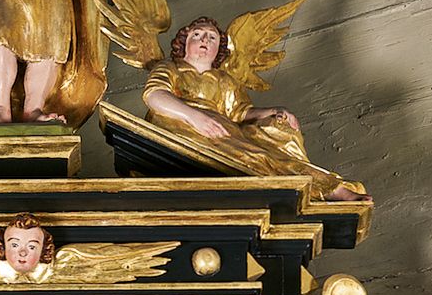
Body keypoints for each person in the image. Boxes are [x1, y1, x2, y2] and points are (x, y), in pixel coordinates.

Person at [144, 17, 368, 202]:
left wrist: (273, 112)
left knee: (273, 149)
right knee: (256, 158)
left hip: (223, 130)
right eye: (197, 34)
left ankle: (330, 188)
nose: (204, 40)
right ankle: (321, 191)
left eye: (211, 37)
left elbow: (240, 113)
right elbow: (154, 95)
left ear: (218, 49)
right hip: (181, 126)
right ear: (184, 42)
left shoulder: (224, 80)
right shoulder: (171, 67)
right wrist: (194, 117)